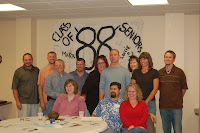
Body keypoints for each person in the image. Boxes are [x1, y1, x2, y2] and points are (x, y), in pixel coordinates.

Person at [159, 50, 188, 133]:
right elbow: (159, 88)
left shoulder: (180, 72)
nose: (167, 59)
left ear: (173, 59)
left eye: (170, 57)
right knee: (166, 130)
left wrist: (176, 98)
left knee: (178, 130)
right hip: (163, 107)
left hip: (176, 107)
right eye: (166, 57)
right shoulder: (160, 72)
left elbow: (184, 89)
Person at [131, 52, 159, 133]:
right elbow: (133, 87)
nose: (142, 60)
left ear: (148, 60)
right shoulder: (136, 72)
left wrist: (146, 102)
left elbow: (155, 88)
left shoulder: (154, 72)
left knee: (149, 124)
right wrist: (139, 101)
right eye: (141, 59)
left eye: (145, 58)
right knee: (138, 125)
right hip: (137, 102)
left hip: (150, 103)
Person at [11, 53, 39, 117]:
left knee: (33, 123)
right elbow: (14, 88)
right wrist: (17, 102)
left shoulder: (37, 70)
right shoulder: (18, 71)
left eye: (29, 60)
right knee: (23, 123)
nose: (28, 62)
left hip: (35, 102)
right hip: (23, 102)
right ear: (23, 60)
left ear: (32, 60)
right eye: (26, 60)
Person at [38, 51, 57, 116]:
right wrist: (42, 101)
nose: (52, 58)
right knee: (46, 121)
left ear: (56, 58)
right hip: (47, 102)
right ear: (47, 58)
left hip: (58, 101)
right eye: (50, 57)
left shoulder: (59, 70)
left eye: (53, 56)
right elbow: (40, 87)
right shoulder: (43, 71)